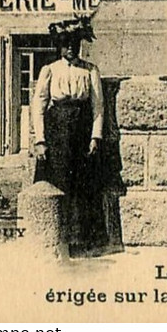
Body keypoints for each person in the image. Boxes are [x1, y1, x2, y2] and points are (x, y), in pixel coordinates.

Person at [32, 16, 107, 255]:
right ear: (60, 46)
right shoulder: (50, 70)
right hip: (57, 132)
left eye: (75, 43)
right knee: (58, 181)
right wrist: (40, 140)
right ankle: (54, 234)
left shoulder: (90, 70)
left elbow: (98, 106)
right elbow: (39, 105)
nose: (71, 49)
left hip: (81, 130)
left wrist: (95, 137)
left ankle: (81, 239)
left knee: (83, 186)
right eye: (66, 44)